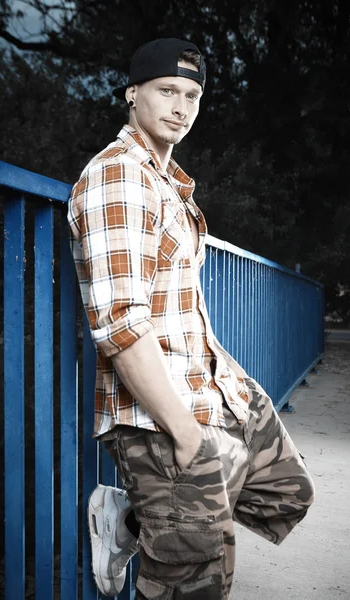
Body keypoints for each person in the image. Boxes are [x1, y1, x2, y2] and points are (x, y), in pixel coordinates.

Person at [68, 37, 315, 600]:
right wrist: (187, 434)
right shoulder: (119, 179)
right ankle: (165, 521)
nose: (182, 106)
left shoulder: (168, 183)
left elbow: (180, 306)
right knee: (198, 582)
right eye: (167, 91)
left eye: (193, 95)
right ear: (133, 94)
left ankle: (137, 519)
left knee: (287, 493)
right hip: (160, 417)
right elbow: (122, 325)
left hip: (213, 386)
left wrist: (234, 384)